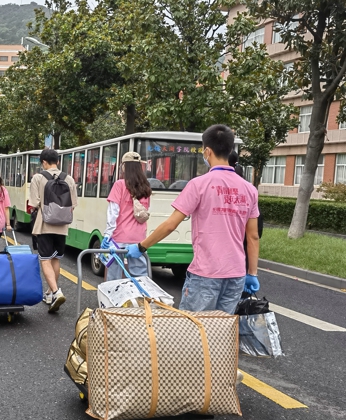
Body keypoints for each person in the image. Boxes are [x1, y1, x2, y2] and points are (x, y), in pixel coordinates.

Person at [127, 125, 260, 314]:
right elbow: (253, 236)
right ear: (230, 149)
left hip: (206, 273)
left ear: (207, 151)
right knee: (222, 328)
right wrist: (252, 273)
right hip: (236, 275)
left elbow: (171, 225)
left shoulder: (198, 185)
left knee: (193, 327)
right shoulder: (249, 189)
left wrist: (141, 247)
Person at [29, 148, 77, 313]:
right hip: (62, 226)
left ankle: (56, 292)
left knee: (45, 259)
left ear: (43, 162)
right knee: (56, 258)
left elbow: (34, 203)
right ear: (58, 161)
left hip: (44, 225)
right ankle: (50, 293)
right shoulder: (69, 179)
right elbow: (73, 205)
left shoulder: (38, 178)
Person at [101, 151, 152, 280]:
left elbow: (113, 213)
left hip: (119, 238)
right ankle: (140, 293)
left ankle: (115, 293)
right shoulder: (146, 187)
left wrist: (107, 235)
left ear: (124, 167)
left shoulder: (119, 185)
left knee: (114, 276)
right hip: (139, 239)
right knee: (140, 276)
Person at [229, 149, 263, 273]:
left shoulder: (211, 189)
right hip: (242, 259)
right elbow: (255, 234)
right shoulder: (250, 193)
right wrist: (253, 273)